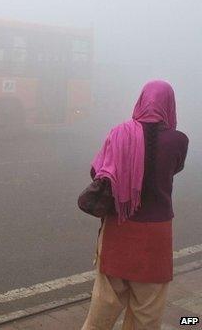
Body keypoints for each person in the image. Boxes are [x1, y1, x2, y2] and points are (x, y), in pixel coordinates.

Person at [82, 80, 188, 330]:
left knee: (103, 305)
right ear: (170, 105)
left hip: (119, 227)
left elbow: (97, 172)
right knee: (147, 311)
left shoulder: (119, 133)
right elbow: (176, 168)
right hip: (156, 235)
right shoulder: (179, 140)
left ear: (141, 100)